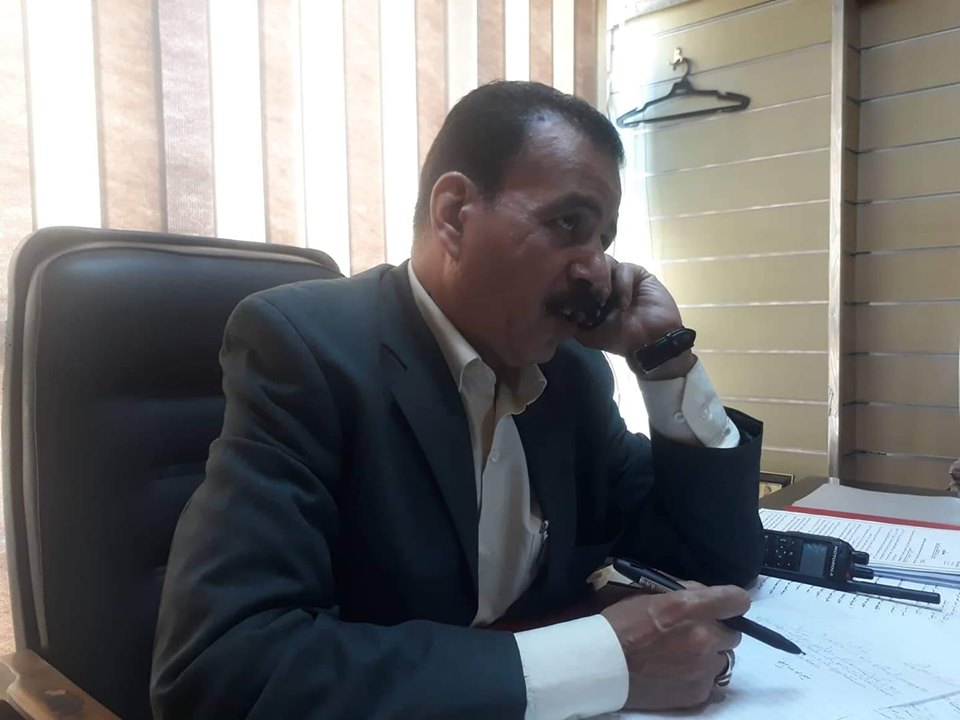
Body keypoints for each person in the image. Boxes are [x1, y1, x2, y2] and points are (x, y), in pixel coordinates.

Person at [151, 81, 764, 720]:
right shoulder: (307, 351)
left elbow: (716, 564)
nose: (596, 272)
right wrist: (599, 666)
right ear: (453, 214)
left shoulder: (572, 374)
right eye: (567, 224)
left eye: (603, 241)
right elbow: (223, 668)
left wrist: (666, 361)